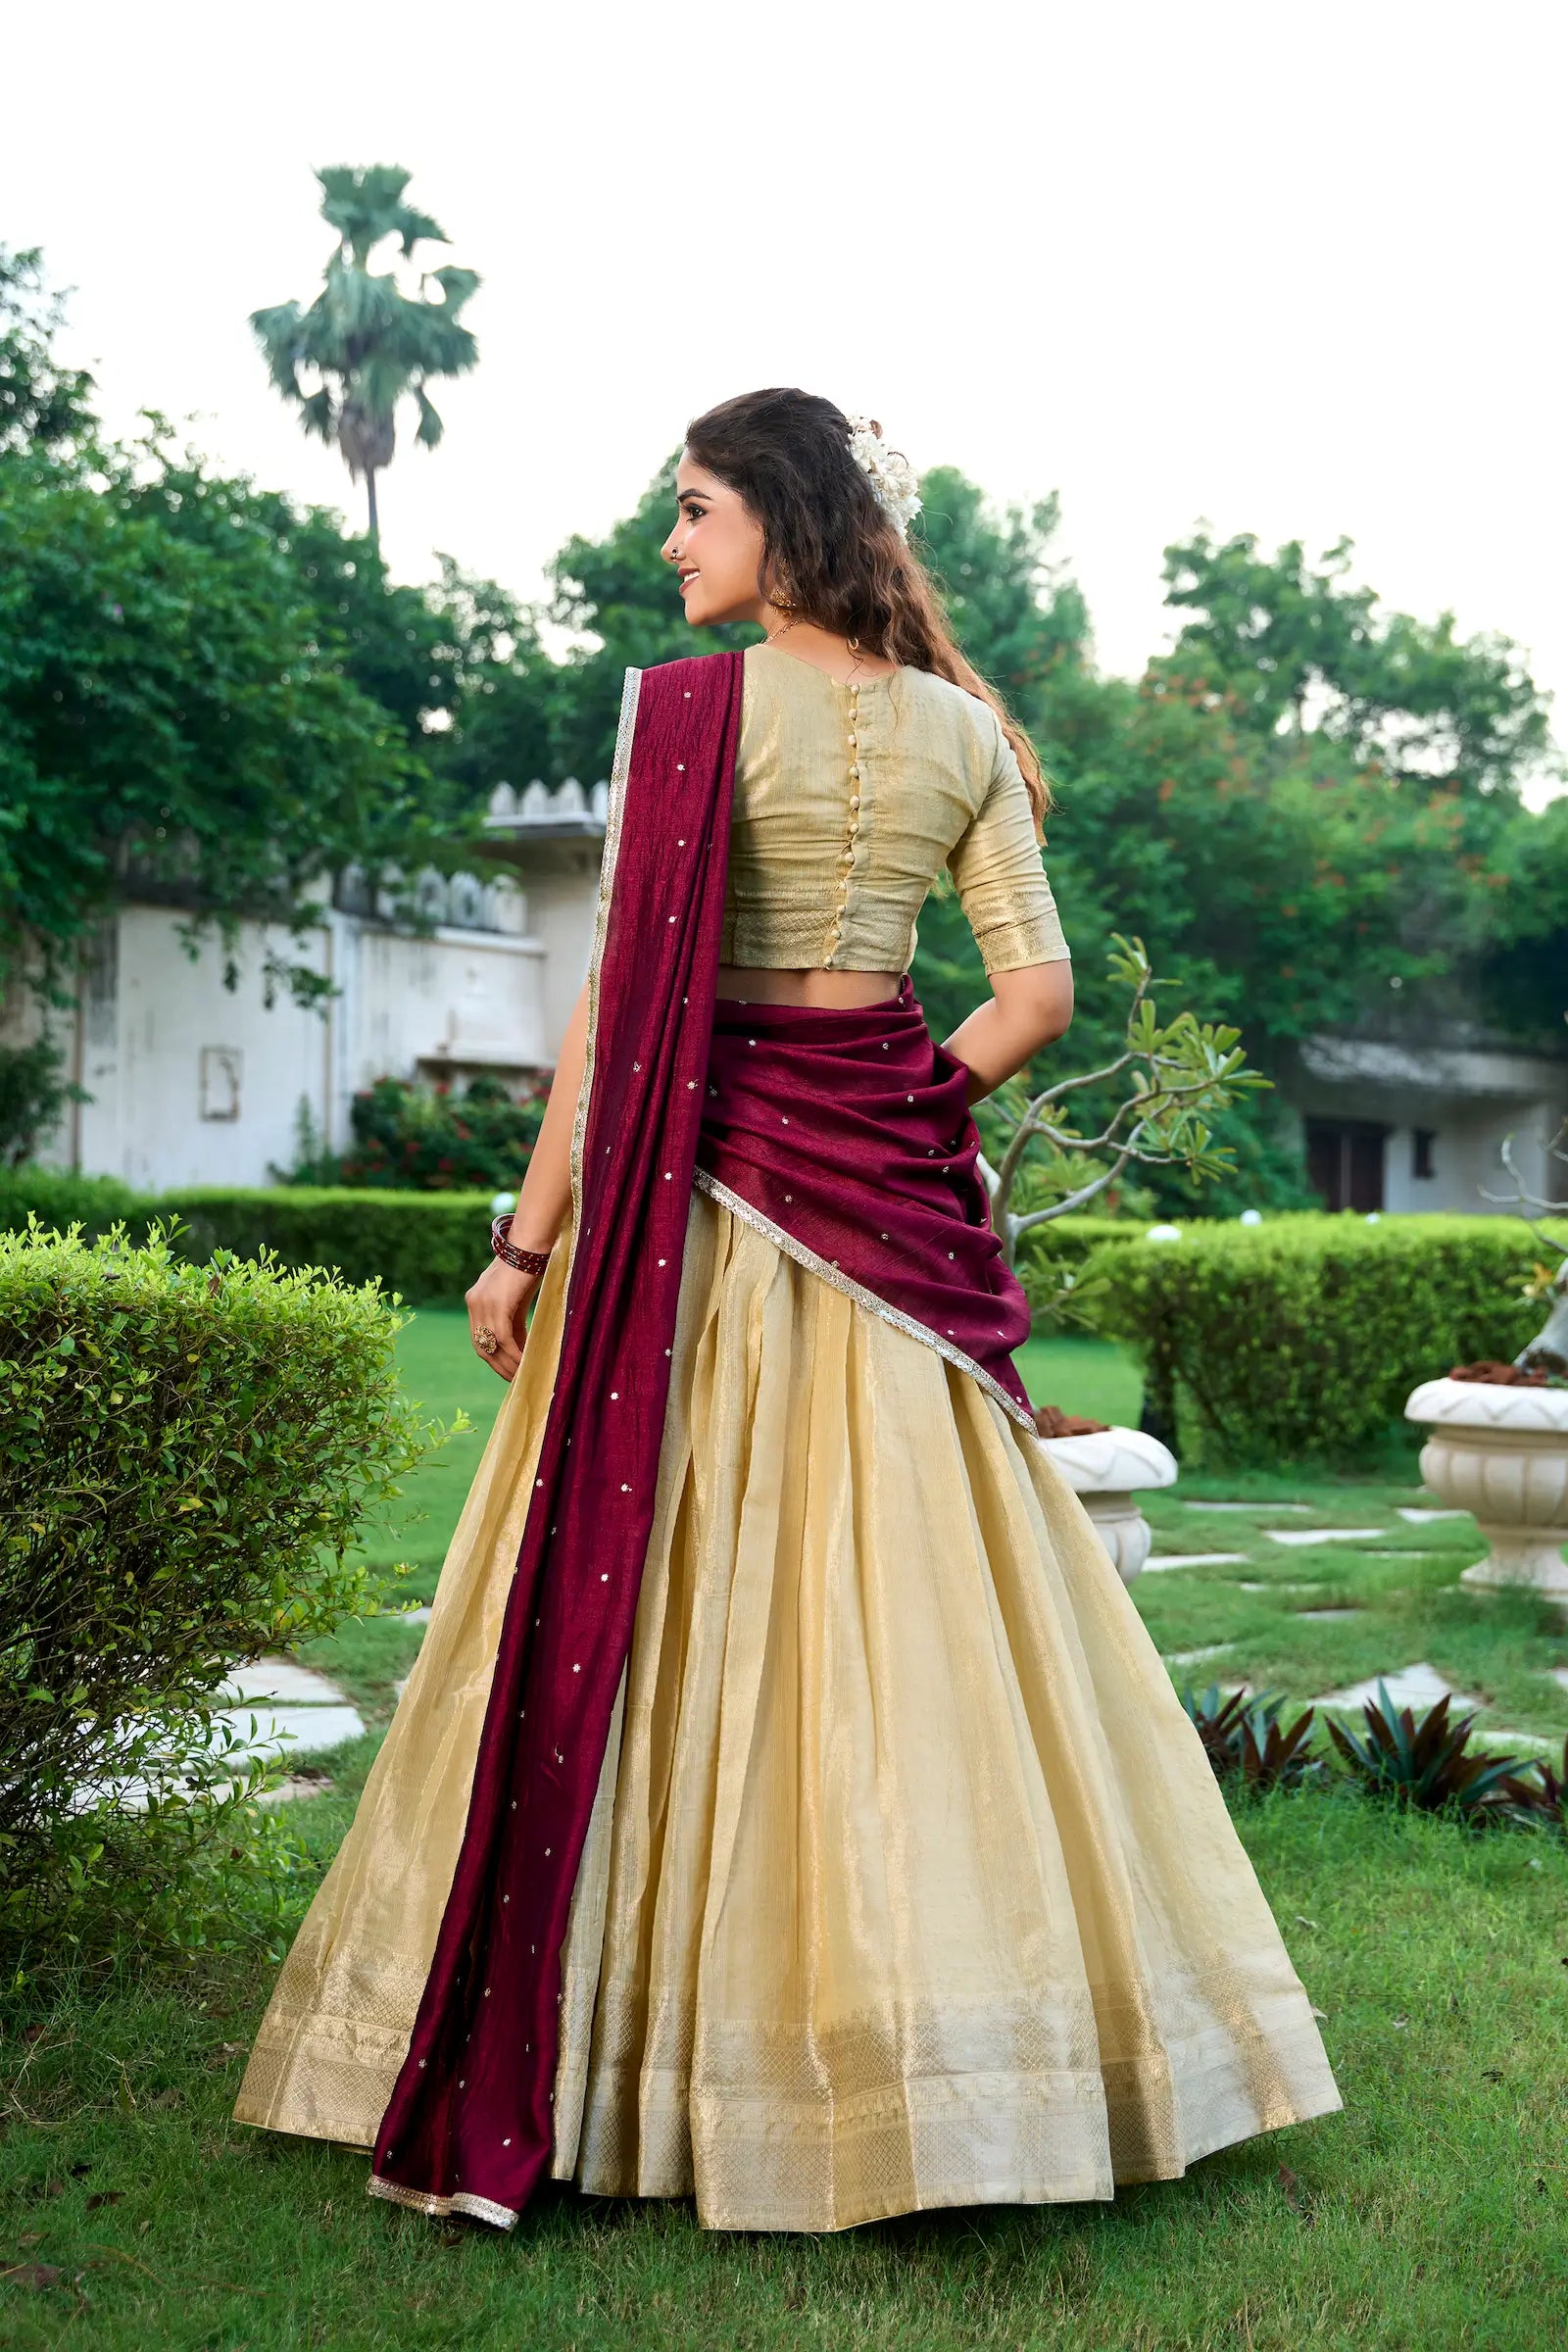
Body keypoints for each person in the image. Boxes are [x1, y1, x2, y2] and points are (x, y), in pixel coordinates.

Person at [235, 388, 1340, 2233]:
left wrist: (522, 1246)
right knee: (909, 1620)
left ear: (780, 515)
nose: (672, 542)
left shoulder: (691, 716)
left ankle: (638, 2062)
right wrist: (904, 1110)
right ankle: (968, 2068)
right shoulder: (966, 729)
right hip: (880, 1202)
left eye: (696, 508)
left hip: (699, 1204)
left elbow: (617, 1012)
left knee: (666, 1593)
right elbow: (1037, 997)